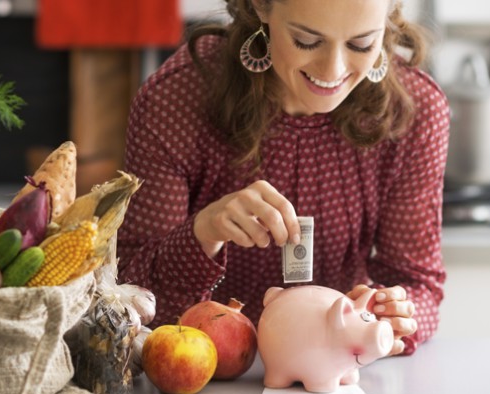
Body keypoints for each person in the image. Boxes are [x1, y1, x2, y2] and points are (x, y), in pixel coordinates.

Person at [116, 0, 449, 356]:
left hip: (334, 379)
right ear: (261, 6)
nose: (333, 69)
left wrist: (394, 315)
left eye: (361, 44)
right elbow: (129, 302)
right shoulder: (175, 100)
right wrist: (204, 232)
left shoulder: (416, 112)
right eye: (307, 41)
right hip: (202, 376)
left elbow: (418, 287)